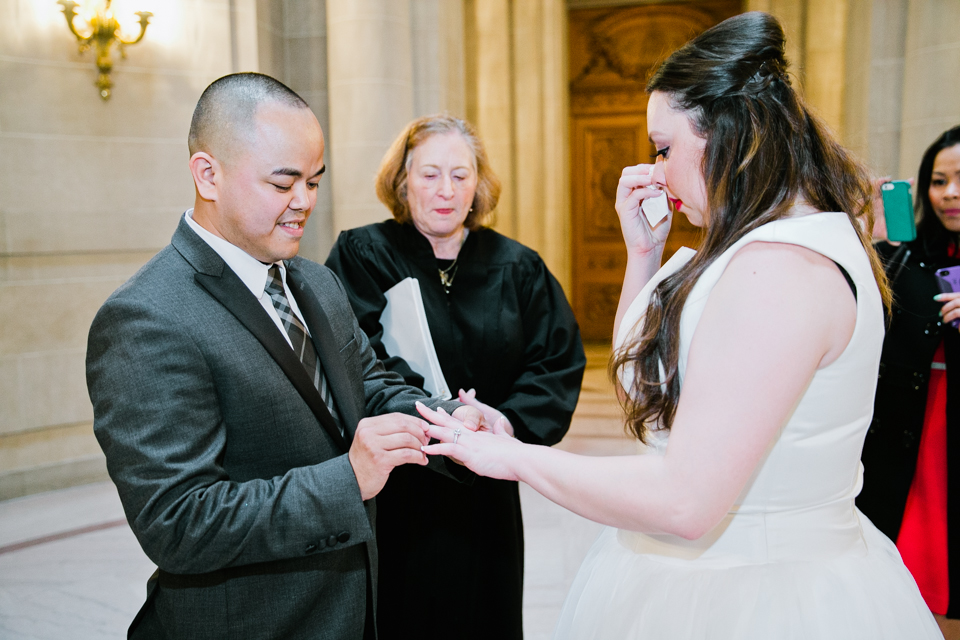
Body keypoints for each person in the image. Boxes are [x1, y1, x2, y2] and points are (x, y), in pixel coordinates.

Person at [414, 12, 942, 639]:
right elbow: (645, 394)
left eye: (664, 149)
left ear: (729, 135)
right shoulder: (772, 243)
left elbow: (685, 502)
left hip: (764, 594)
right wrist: (644, 254)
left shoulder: (778, 269)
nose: (654, 173)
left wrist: (514, 457)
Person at [85, 73, 481, 640]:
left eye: (314, 182)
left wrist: (446, 421)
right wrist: (349, 478)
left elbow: (369, 385)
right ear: (208, 174)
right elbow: (178, 522)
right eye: (283, 183)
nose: (304, 203)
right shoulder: (146, 317)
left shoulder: (315, 283)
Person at [324, 114, 586, 640]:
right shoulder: (363, 254)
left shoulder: (519, 267)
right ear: (402, 182)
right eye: (429, 174)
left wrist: (506, 423)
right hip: (401, 478)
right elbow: (354, 354)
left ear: (479, 185)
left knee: (483, 613)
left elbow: (554, 361)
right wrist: (438, 417)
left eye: (461, 175)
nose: (446, 190)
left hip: (486, 485)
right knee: (403, 613)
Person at [858, 125, 960, 637]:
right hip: (906, 426)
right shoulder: (906, 249)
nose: (950, 193)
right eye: (939, 181)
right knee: (906, 557)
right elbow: (864, 316)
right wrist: (870, 242)